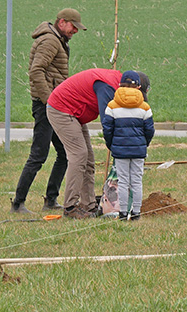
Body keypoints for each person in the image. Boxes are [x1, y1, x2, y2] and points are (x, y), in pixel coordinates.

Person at [11, 8, 86, 215]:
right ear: (61, 22)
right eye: (73, 27)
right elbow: (36, 70)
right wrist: (50, 101)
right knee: (38, 154)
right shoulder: (51, 41)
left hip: (54, 105)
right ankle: (18, 203)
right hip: (48, 106)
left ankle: (51, 199)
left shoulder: (57, 40)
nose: (75, 31)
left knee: (63, 152)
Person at [46, 68, 124, 219]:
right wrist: (115, 147)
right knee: (79, 155)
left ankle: (88, 205)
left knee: (88, 159)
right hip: (61, 109)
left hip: (75, 112)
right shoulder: (107, 87)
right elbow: (107, 122)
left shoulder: (119, 83)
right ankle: (70, 206)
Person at [103, 71, 154, 221]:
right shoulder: (145, 107)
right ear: (139, 87)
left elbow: (107, 129)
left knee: (123, 181)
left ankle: (123, 213)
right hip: (138, 150)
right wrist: (144, 144)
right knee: (137, 181)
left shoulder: (112, 106)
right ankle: (136, 212)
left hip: (119, 150)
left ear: (119, 85)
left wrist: (112, 144)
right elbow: (149, 130)